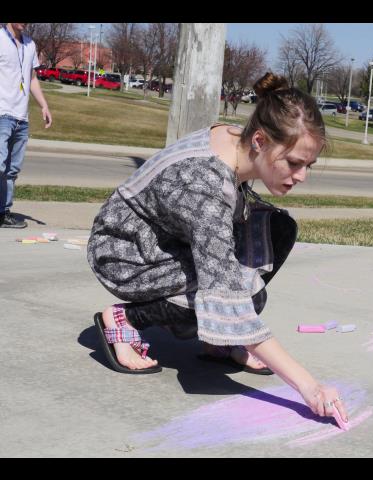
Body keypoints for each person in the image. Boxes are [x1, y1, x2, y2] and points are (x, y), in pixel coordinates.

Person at [87, 72, 349, 425]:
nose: (301, 175)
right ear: (259, 140)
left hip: (165, 237)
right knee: (231, 292)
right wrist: (311, 387)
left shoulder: (237, 139)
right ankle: (123, 319)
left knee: (276, 232)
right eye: (294, 163)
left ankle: (219, 342)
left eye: (308, 165)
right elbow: (225, 287)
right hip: (124, 251)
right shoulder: (203, 188)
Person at [0, 23, 52, 228]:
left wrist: (44, 105)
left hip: (22, 117)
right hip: (2, 113)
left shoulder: (30, 44)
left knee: (12, 170)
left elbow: (31, 78)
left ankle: (3, 212)